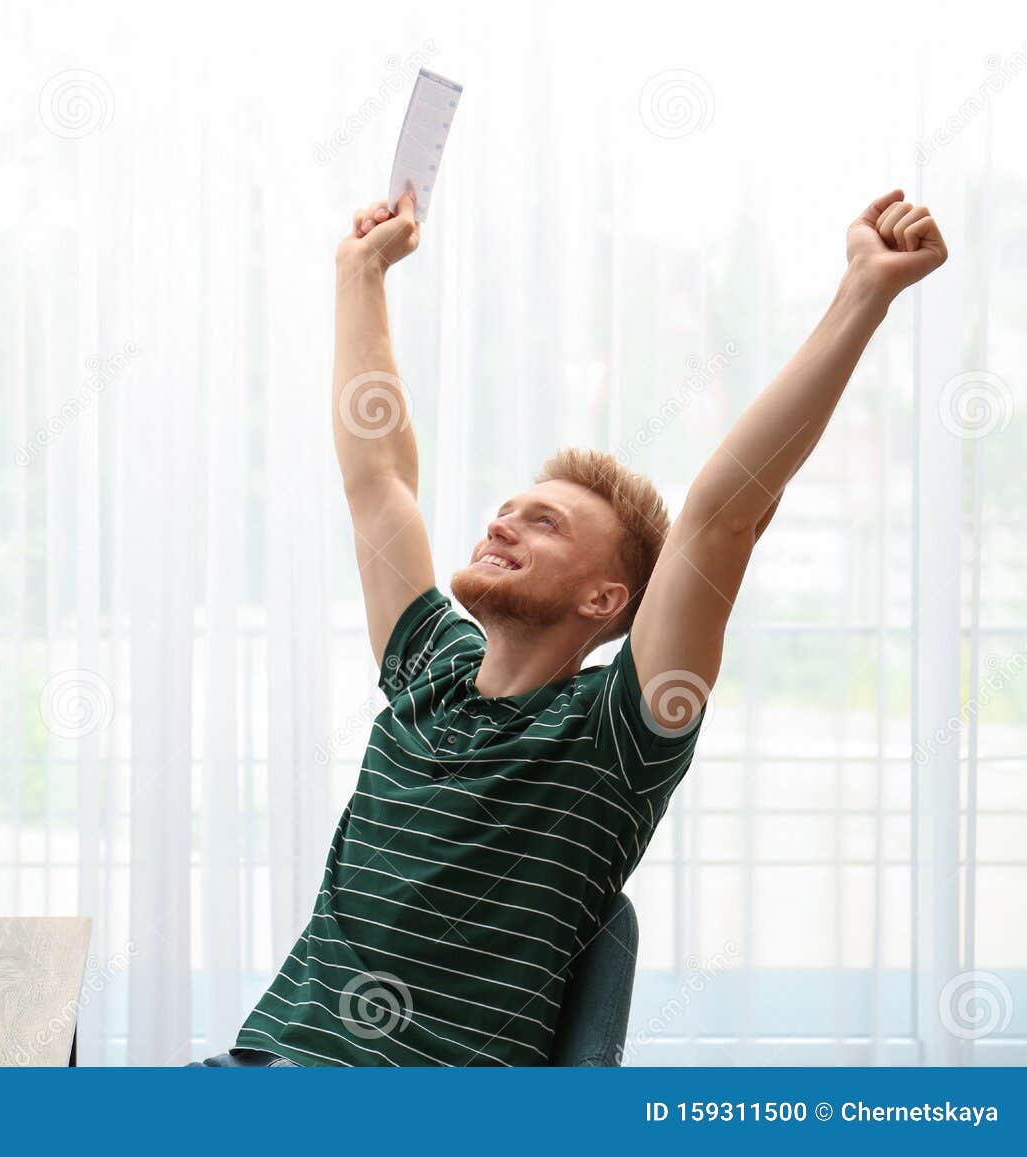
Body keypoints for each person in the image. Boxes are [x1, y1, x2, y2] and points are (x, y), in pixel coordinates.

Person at [196, 188, 947, 1067]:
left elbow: (724, 516)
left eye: (544, 522)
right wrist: (360, 273)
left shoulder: (617, 736)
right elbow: (379, 478)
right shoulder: (428, 669)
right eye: (508, 509)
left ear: (606, 599)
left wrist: (864, 290)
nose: (502, 522)